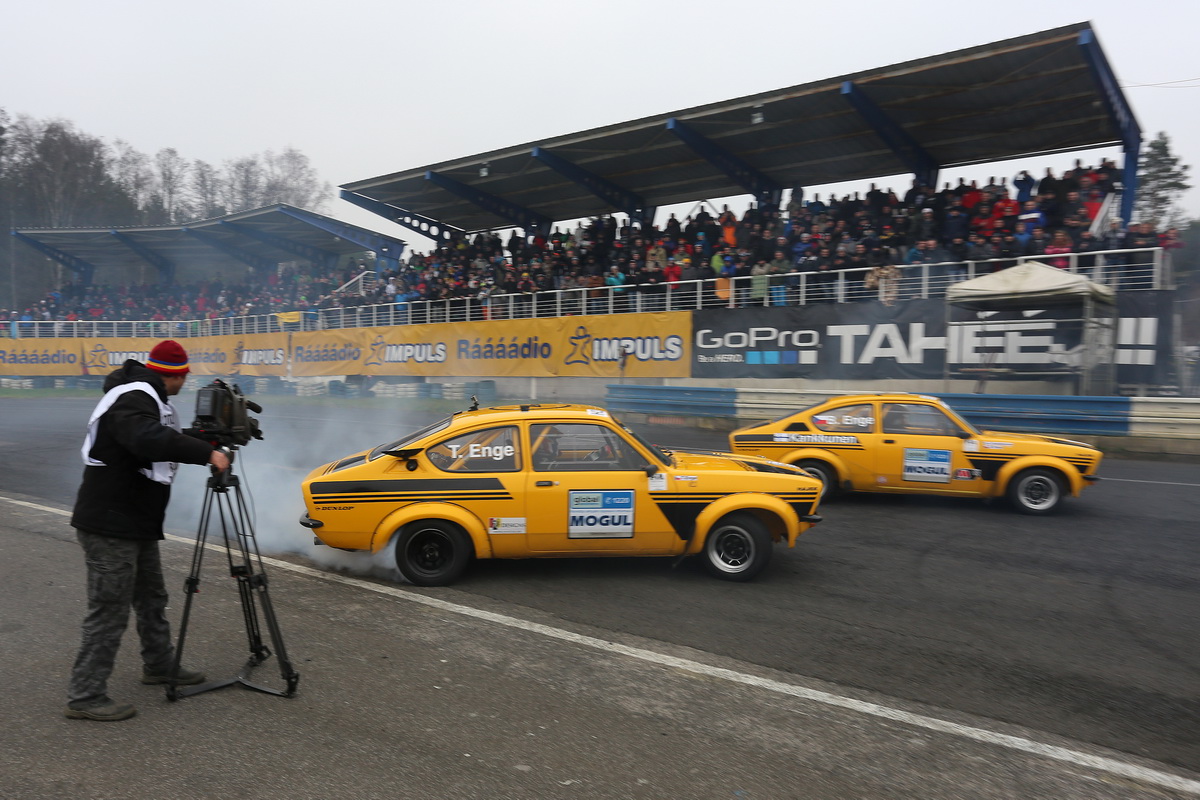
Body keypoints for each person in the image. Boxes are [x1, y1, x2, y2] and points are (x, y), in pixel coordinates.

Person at [67, 340, 230, 721]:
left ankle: (158, 665)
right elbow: (145, 438)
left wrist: (202, 440)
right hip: (111, 526)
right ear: (175, 375)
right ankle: (85, 696)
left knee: (152, 598)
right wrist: (206, 453)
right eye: (184, 375)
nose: (186, 382)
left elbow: (154, 436)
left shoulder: (146, 398)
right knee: (109, 611)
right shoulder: (134, 396)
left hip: (134, 523)